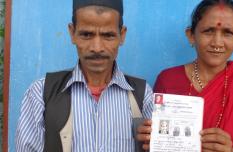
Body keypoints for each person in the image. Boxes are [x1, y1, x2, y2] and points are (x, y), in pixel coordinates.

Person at [136, 0, 233, 151]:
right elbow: (159, 137)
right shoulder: (168, 79)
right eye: (208, 31)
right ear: (191, 35)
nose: (217, 42)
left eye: (228, 33)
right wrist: (150, 138)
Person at [15, 0, 153, 151]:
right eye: (87, 34)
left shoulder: (142, 94)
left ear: (122, 35)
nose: (97, 47)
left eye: (108, 35)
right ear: (72, 33)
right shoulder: (41, 92)